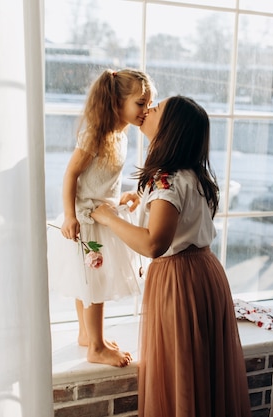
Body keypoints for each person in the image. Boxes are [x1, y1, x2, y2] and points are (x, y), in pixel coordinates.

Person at [91, 96, 251, 416]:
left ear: (170, 129)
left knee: (182, 371)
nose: (148, 110)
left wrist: (108, 218)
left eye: (157, 108)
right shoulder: (195, 175)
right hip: (206, 273)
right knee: (202, 370)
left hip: (180, 280)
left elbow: (154, 244)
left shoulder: (165, 177)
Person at [47, 68, 156, 367]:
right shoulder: (96, 134)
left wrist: (118, 197)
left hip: (102, 213)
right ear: (117, 102)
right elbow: (71, 175)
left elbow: (101, 179)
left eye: (148, 104)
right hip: (87, 220)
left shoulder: (119, 135)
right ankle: (95, 347)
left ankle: (86, 334)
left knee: (89, 280)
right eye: (140, 103)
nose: (145, 110)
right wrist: (70, 216)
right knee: (93, 281)